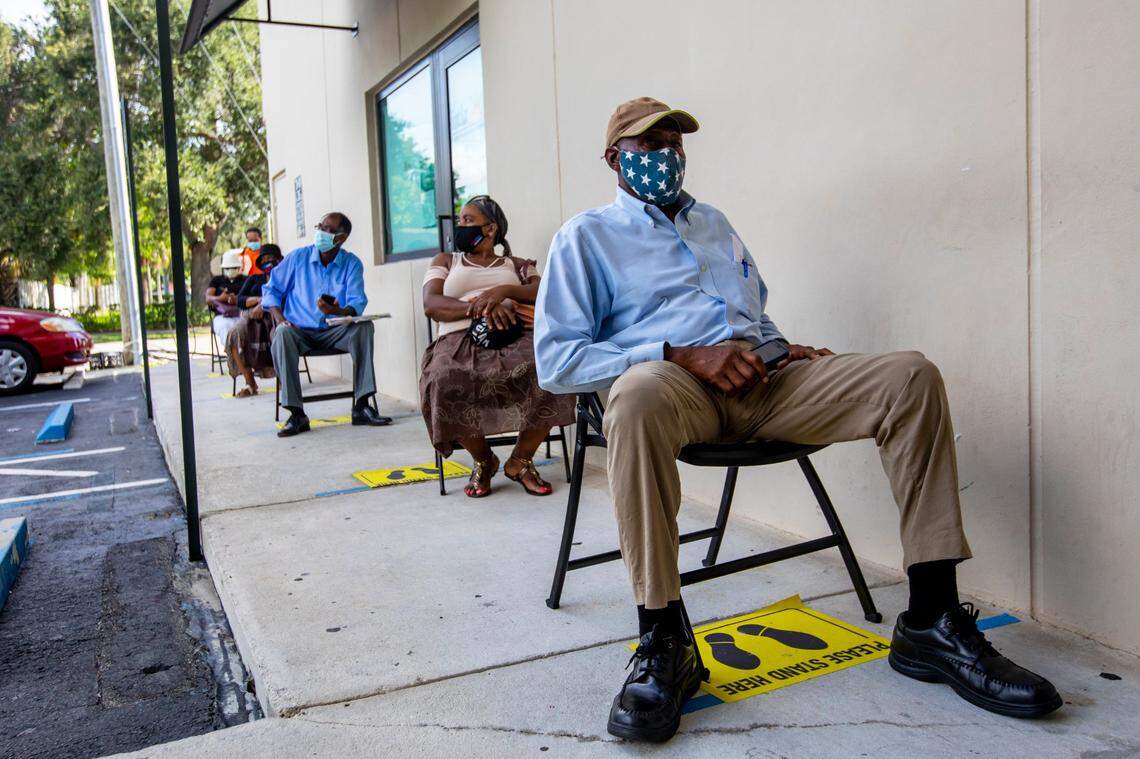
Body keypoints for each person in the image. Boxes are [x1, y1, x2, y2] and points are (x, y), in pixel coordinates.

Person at [534, 97, 1061, 743]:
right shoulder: (585, 236)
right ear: (615, 157)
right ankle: (664, 638)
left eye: (674, 143)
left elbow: (751, 314)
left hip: (763, 382)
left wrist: (780, 347)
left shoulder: (715, 222)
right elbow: (557, 361)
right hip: (674, 390)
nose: (666, 157)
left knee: (909, 374)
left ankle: (930, 617)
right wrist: (676, 354)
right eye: (649, 147)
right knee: (638, 392)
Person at [420, 195, 576, 498]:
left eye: (467, 220)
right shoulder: (445, 261)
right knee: (443, 378)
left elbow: (543, 292)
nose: (460, 226)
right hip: (457, 339)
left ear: (490, 229)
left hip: (514, 335)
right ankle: (484, 460)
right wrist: (481, 307)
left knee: (551, 368)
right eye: (460, 220)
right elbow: (431, 303)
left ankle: (520, 460)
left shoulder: (517, 266)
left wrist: (504, 291)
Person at [262, 212, 391, 436]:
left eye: (328, 230)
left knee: (364, 327)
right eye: (320, 226)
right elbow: (271, 290)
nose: (321, 233)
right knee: (281, 335)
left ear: (341, 238)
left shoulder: (351, 264)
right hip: (298, 331)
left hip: (334, 329)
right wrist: (280, 320)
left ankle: (361, 405)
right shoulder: (297, 258)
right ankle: (296, 413)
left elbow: (356, 304)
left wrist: (336, 311)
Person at [227, 244, 284, 397]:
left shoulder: (286, 278)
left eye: (271, 258)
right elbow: (239, 299)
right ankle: (250, 384)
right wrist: (258, 300)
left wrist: (264, 305)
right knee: (234, 334)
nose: (267, 262)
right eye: (264, 259)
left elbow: (287, 298)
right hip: (250, 316)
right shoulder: (255, 278)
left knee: (281, 335)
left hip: (277, 317)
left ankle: (285, 381)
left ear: (280, 260)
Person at [206, 249, 246, 349]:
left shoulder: (246, 280)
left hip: (241, 314)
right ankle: (234, 355)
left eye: (233, 268)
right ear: (223, 268)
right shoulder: (217, 280)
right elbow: (208, 298)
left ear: (238, 268)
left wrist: (237, 299)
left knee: (244, 328)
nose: (230, 271)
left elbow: (252, 296)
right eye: (227, 268)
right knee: (226, 328)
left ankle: (240, 357)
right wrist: (220, 298)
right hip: (222, 316)